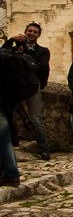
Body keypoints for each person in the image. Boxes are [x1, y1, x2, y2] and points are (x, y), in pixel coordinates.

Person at [2, 22, 51, 160]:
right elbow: (2, 55)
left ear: (39, 35)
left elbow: (42, 67)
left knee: (36, 118)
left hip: (32, 86)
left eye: (35, 32)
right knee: (10, 116)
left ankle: (44, 149)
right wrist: (11, 40)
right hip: (15, 87)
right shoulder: (14, 48)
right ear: (25, 32)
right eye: (29, 31)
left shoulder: (42, 51)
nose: (31, 34)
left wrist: (26, 53)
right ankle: (13, 141)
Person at [0, 45, 21, 187]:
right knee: (4, 140)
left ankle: (11, 174)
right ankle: (10, 173)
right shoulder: (6, 57)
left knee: (4, 140)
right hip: (7, 104)